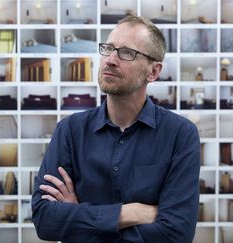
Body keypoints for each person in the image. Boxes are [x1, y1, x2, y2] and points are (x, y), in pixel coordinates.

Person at [32, 15, 200, 243]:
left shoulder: (180, 134)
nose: (110, 59)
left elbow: (176, 234)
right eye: (108, 48)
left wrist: (79, 221)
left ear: (153, 72)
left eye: (126, 53)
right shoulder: (70, 131)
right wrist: (130, 213)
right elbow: (45, 220)